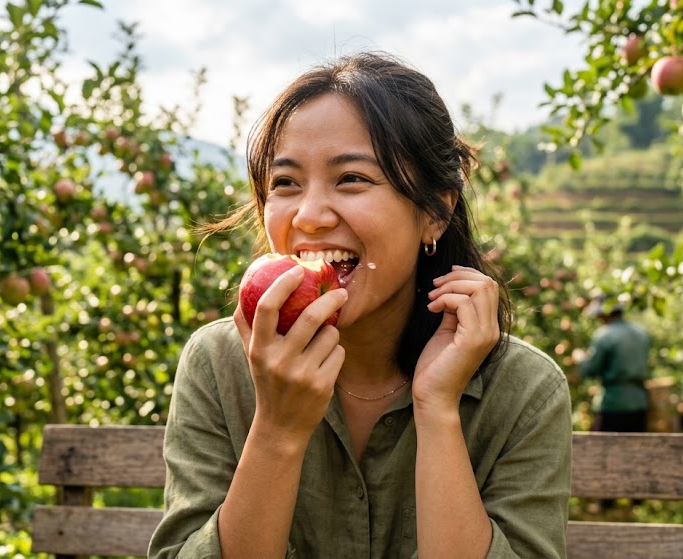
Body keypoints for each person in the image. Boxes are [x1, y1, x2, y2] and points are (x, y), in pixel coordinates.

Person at [148, 51, 572, 559]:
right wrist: (278, 431)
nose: (308, 216)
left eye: (351, 179)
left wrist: (437, 409)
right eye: (285, 183)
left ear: (435, 212)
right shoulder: (219, 364)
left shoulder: (523, 390)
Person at [573, 294, 651, 514]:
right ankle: (637, 500)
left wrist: (580, 359)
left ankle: (606, 500)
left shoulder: (604, 336)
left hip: (613, 400)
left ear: (607, 313)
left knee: (604, 451)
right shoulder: (641, 333)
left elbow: (591, 370)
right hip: (639, 399)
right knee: (636, 449)